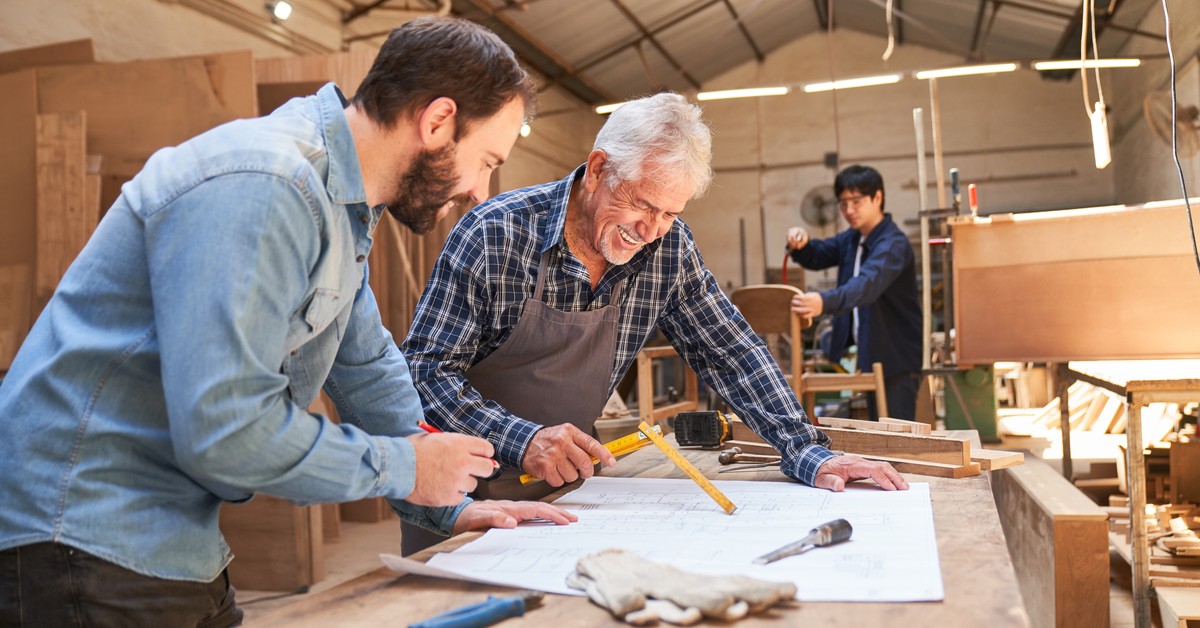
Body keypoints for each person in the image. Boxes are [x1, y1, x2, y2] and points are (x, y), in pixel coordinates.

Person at [0, 17, 577, 627]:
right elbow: (226, 430)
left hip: (169, 539)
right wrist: (408, 468)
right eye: (486, 161)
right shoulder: (266, 183)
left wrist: (449, 506)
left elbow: (366, 368)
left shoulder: (342, 204)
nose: (481, 192)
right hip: (78, 534)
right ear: (436, 122)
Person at [400, 93, 907, 553]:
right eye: (642, 204)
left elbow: (731, 352)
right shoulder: (496, 234)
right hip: (457, 495)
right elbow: (425, 372)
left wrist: (805, 450)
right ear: (598, 170)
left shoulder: (667, 246)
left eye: (669, 212)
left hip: (567, 494)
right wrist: (523, 440)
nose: (651, 230)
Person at [786, 164, 923, 420]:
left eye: (856, 201)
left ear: (877, 198)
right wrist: (801, 244)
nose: (849, 210)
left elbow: (865, 286)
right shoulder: (852, 239)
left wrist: (824, 302)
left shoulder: (893, 244)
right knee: (878, 432)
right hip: (872, 356)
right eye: (843, 203)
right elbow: (818, 254)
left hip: (897, 358)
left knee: (898, 437)